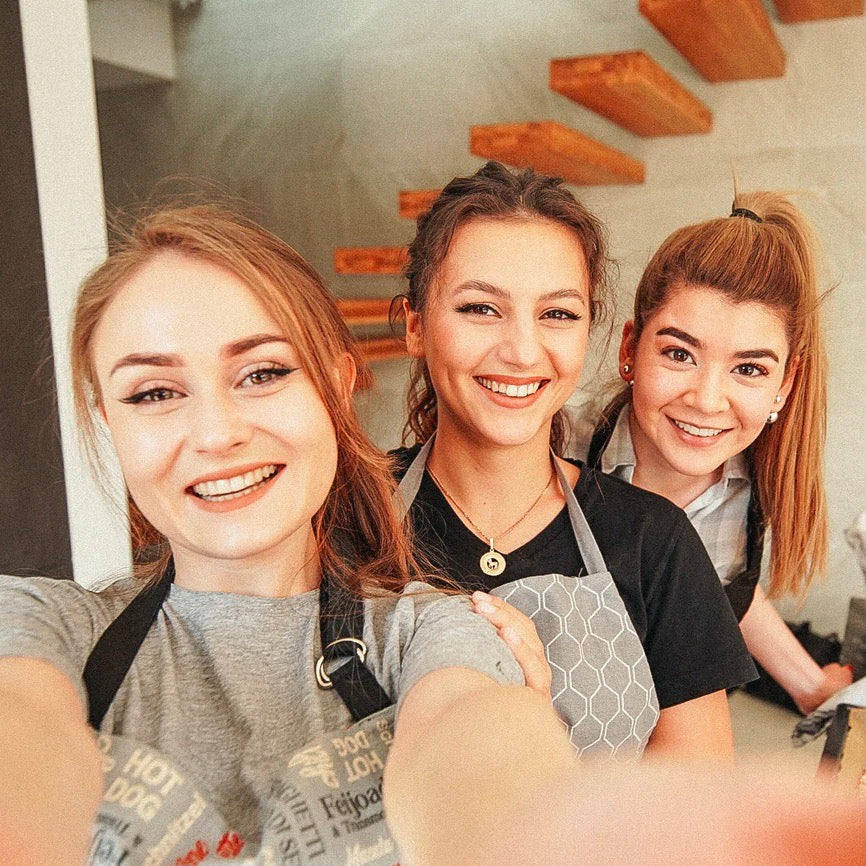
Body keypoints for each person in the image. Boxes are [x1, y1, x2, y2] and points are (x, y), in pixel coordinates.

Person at [0, 203, 578, 866]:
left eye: (263, 374)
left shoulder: (430, 631)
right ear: (110, 420)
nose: (217, 433)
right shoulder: (41, 626)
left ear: (335, 385)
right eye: (155, 393)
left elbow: (476, 748)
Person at [394, 161, 756, 762]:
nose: (521, 351)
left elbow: (695, 810)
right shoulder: (341, 515)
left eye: (558, 314)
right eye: (480, 308)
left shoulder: (656, 544)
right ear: (415, 326)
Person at [570, 191, 853, 715]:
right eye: (679, 354)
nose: (706, 400)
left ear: (785, 384)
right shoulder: (556, 450)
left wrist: (811, 686)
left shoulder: (748, 488)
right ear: (630, 348)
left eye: (748, 369)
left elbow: (723, 588)